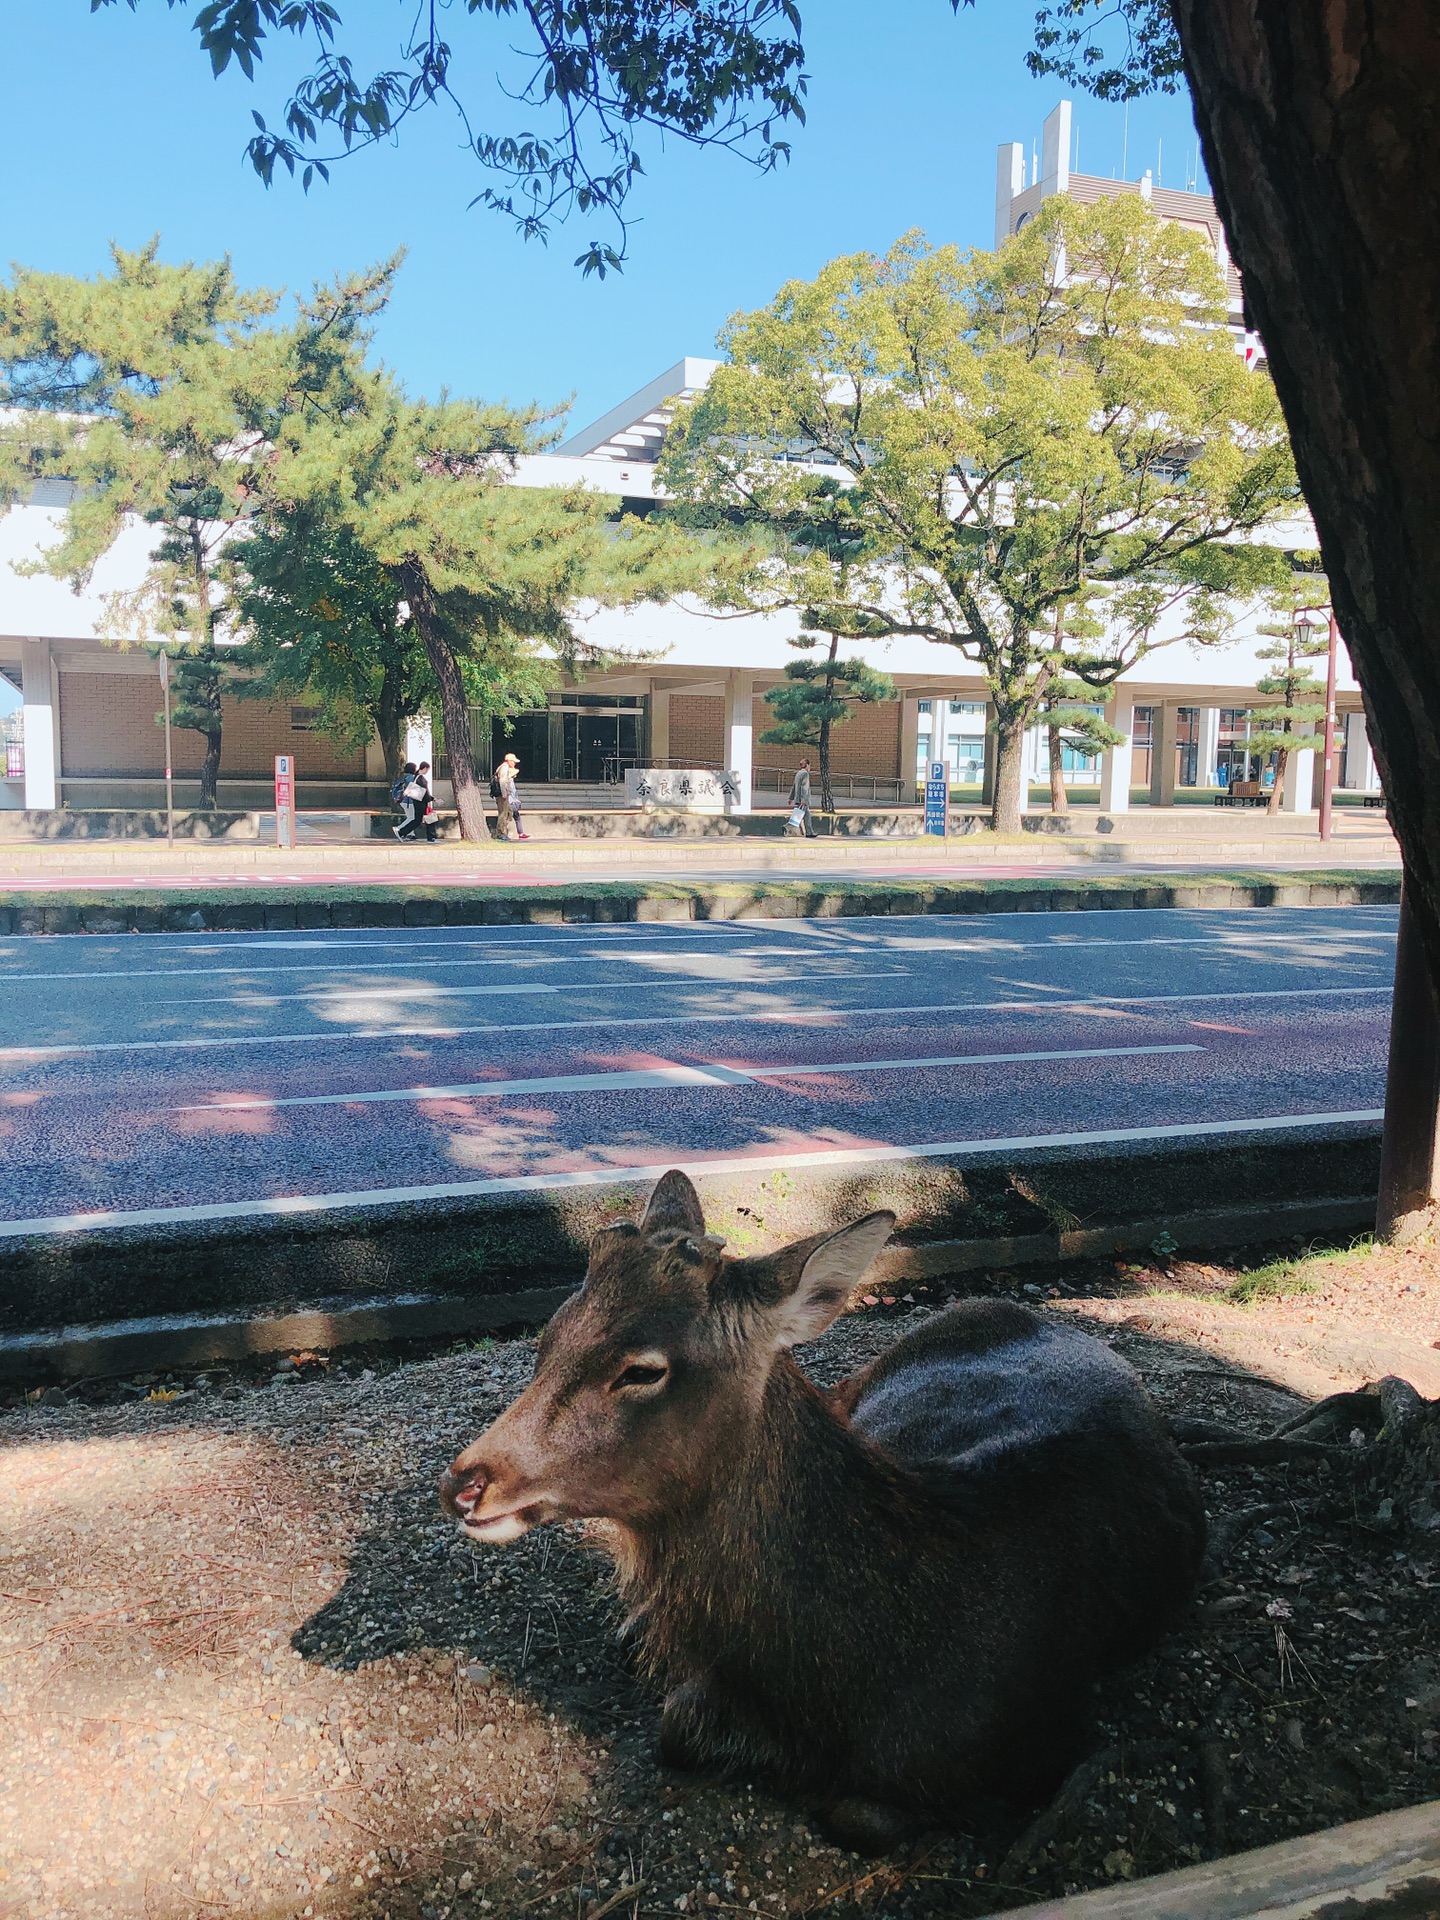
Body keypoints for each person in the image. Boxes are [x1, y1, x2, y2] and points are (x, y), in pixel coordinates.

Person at [492, 751, 528, 839]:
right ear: (509, 761)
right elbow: (502, 781)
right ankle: (500, 834)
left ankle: (502, 833)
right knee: (503, 814)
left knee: (508, 814)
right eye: (514, 761)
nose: (515, 763)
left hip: (504, 795)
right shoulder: (504, 768)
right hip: (502, 796)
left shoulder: (505, 767)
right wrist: (504, 794)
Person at [392, 760, 420, 840]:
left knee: (410, 816)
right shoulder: (410, 777)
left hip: (402, 800)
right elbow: (413, 788)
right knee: (413, 818)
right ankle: (398, 829)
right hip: (408, 801)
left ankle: (410, 834)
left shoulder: (402, 776)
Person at [787, 758, 814, 837]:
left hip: (798, 799)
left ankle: (809, 832)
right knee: (798, 816)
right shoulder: (805, 774)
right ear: (807, 765)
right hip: (803, 800)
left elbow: (794, 786)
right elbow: (804, 787)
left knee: (806, 815)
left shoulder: (798, 774)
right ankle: (789, 829)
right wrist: (803, 798)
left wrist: (791, 798)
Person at [413, 761, 439, 842]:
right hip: (422, 802)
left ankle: (402, 831)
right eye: (427, 770)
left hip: (418, 801)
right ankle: (431, 836)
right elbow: (425, 792)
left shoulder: (416, 777)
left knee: (417, 820)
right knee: (430, 818)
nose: (427, 771)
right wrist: (431, 799)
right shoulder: (420, 779)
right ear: (424, 768)